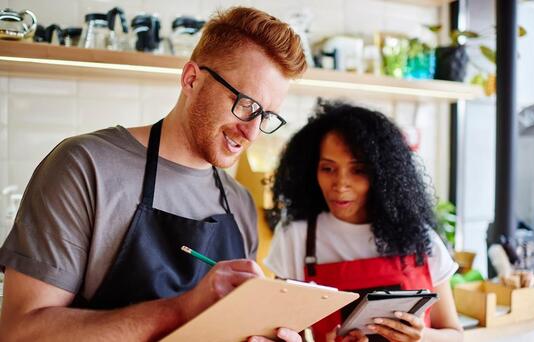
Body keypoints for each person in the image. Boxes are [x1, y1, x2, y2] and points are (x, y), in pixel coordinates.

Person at [0, 7, 306, 341]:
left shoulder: (239, 203)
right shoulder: (85, 167)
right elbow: (21, 333)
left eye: (265, 116)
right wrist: (182, 308)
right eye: (245, 104)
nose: (251, 132)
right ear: (192, 79)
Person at [265, 102, 464, 342]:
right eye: (328, 168)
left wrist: (421, 337)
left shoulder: (419, 238)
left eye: (358, 170)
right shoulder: (296, 237)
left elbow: (455, 336)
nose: (340, 184)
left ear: (382, 175)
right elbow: (280, 336)